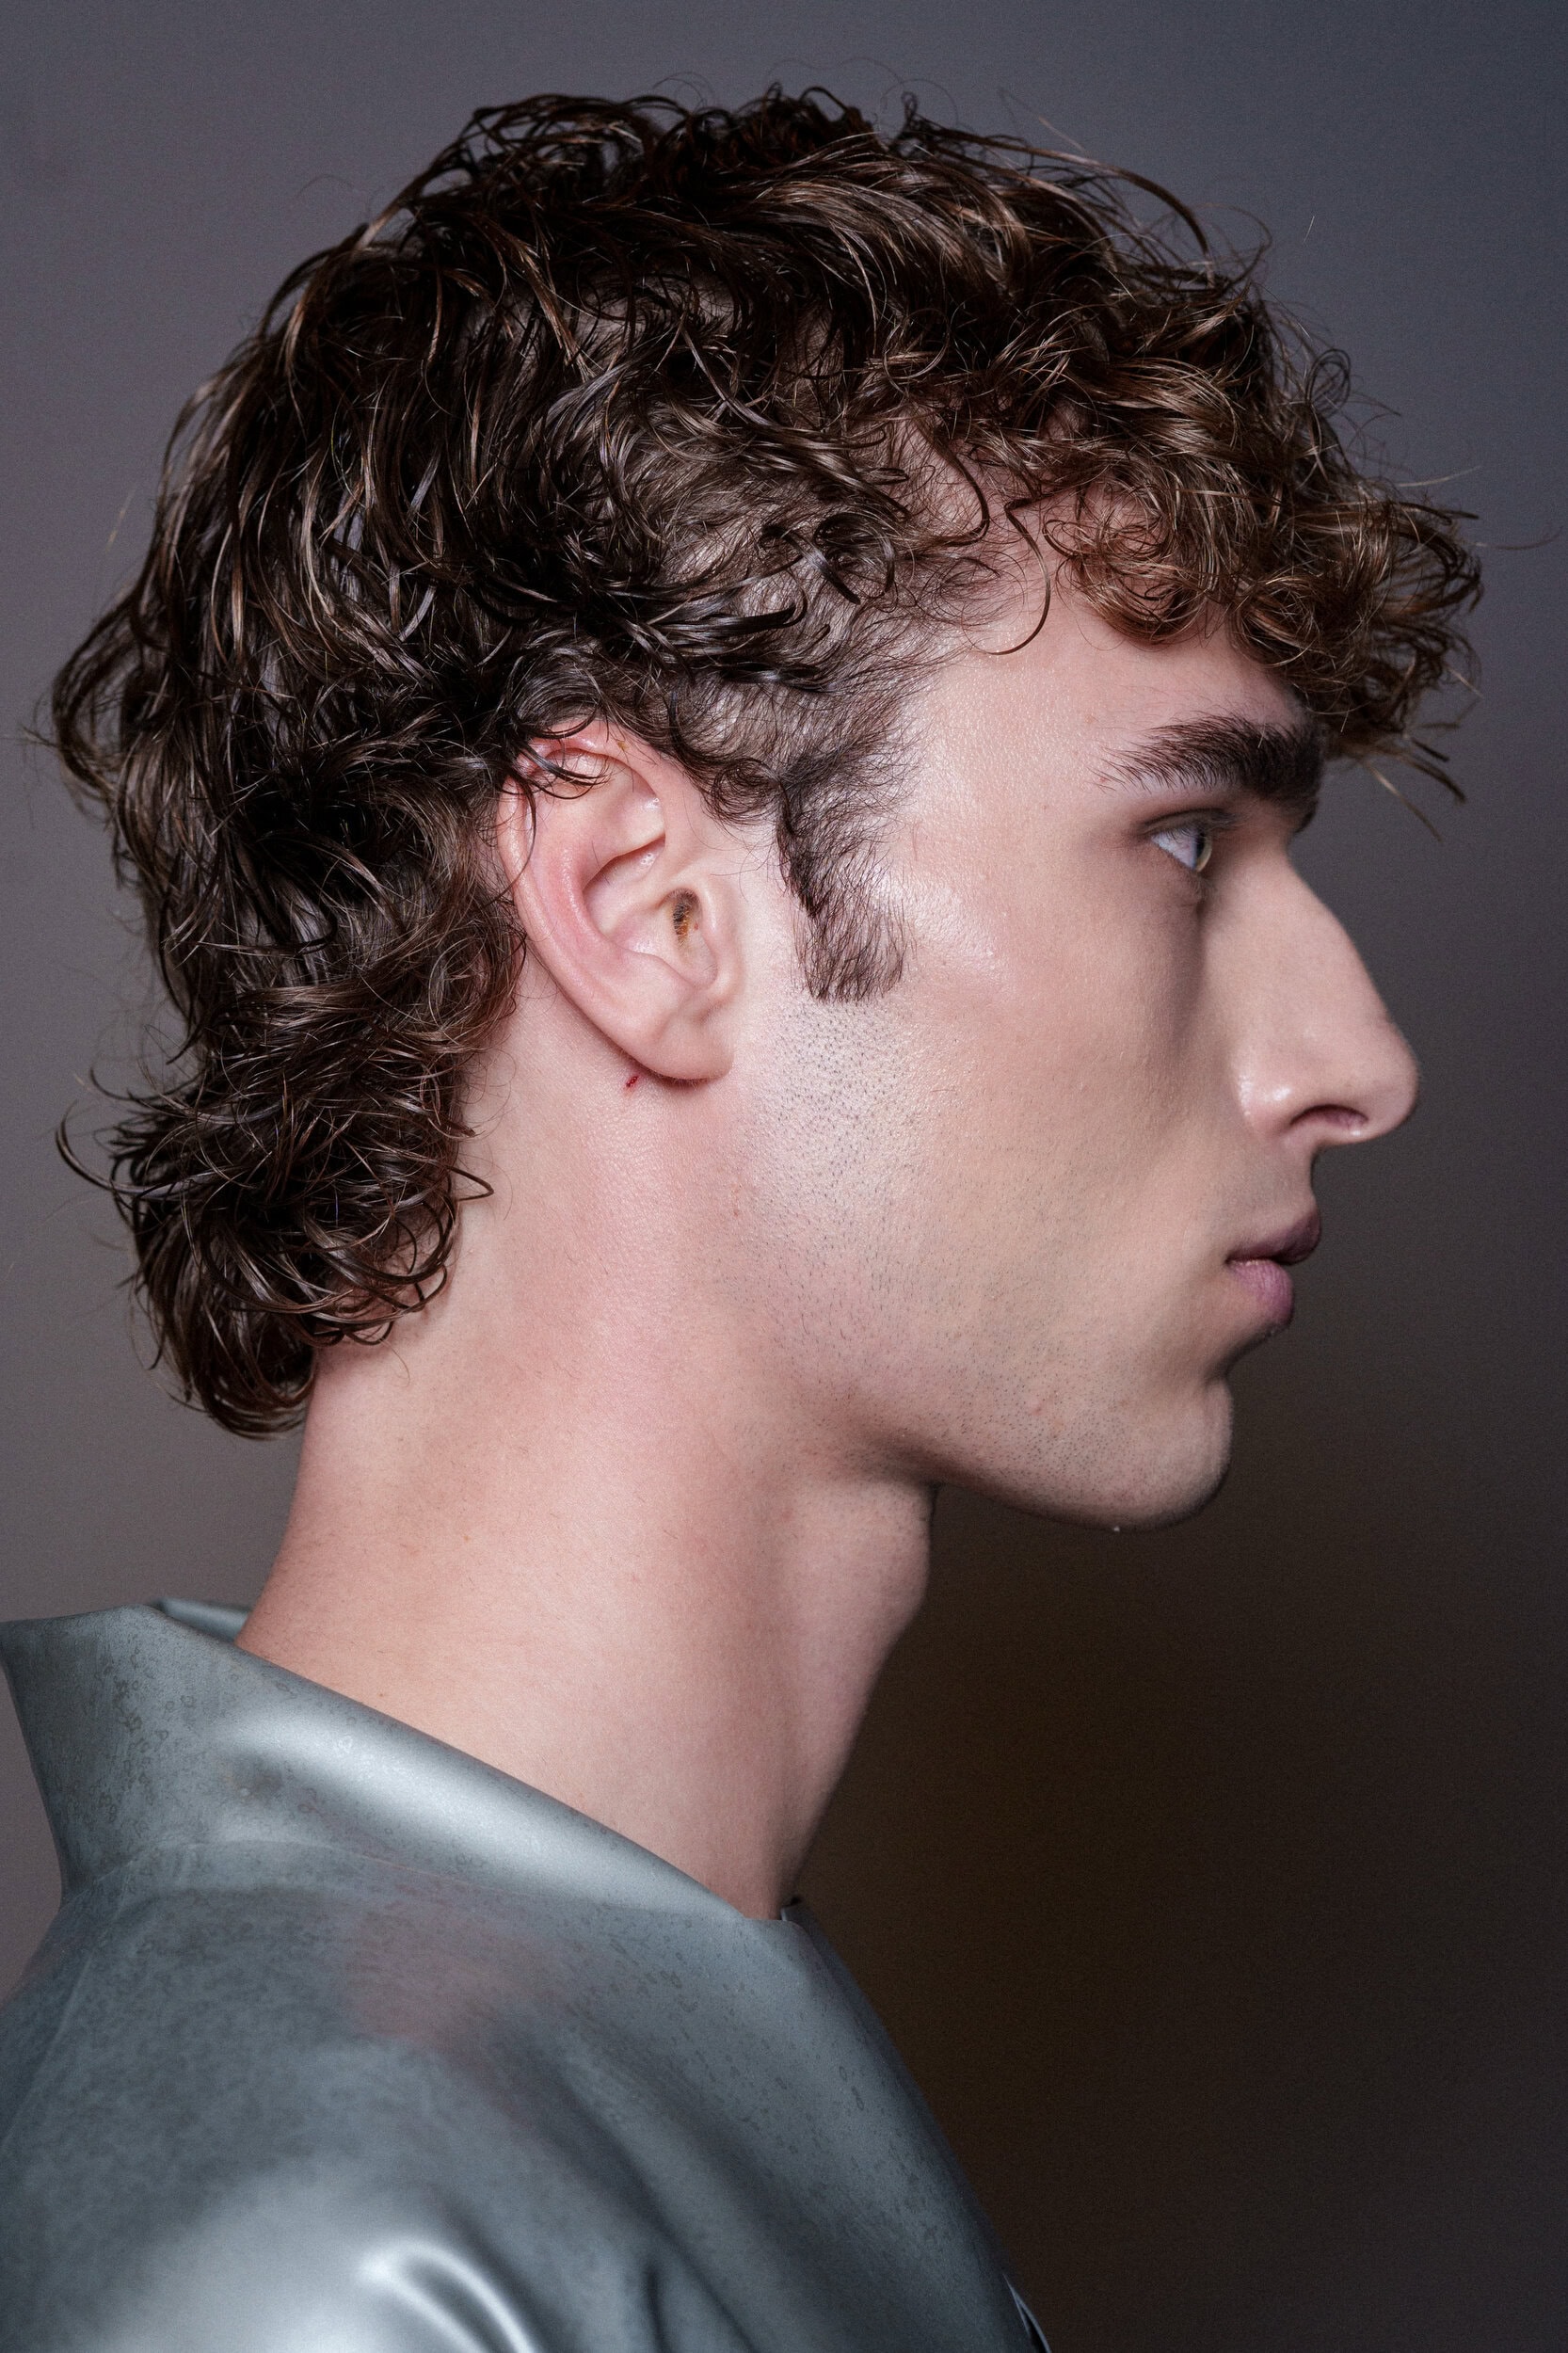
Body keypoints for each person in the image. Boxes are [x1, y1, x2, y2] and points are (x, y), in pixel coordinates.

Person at [0, 88, 1476, 2352]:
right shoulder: (314, 2263)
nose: (1354, 1057)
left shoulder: (600, 2034)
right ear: (645, 906)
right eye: (1184, 843)